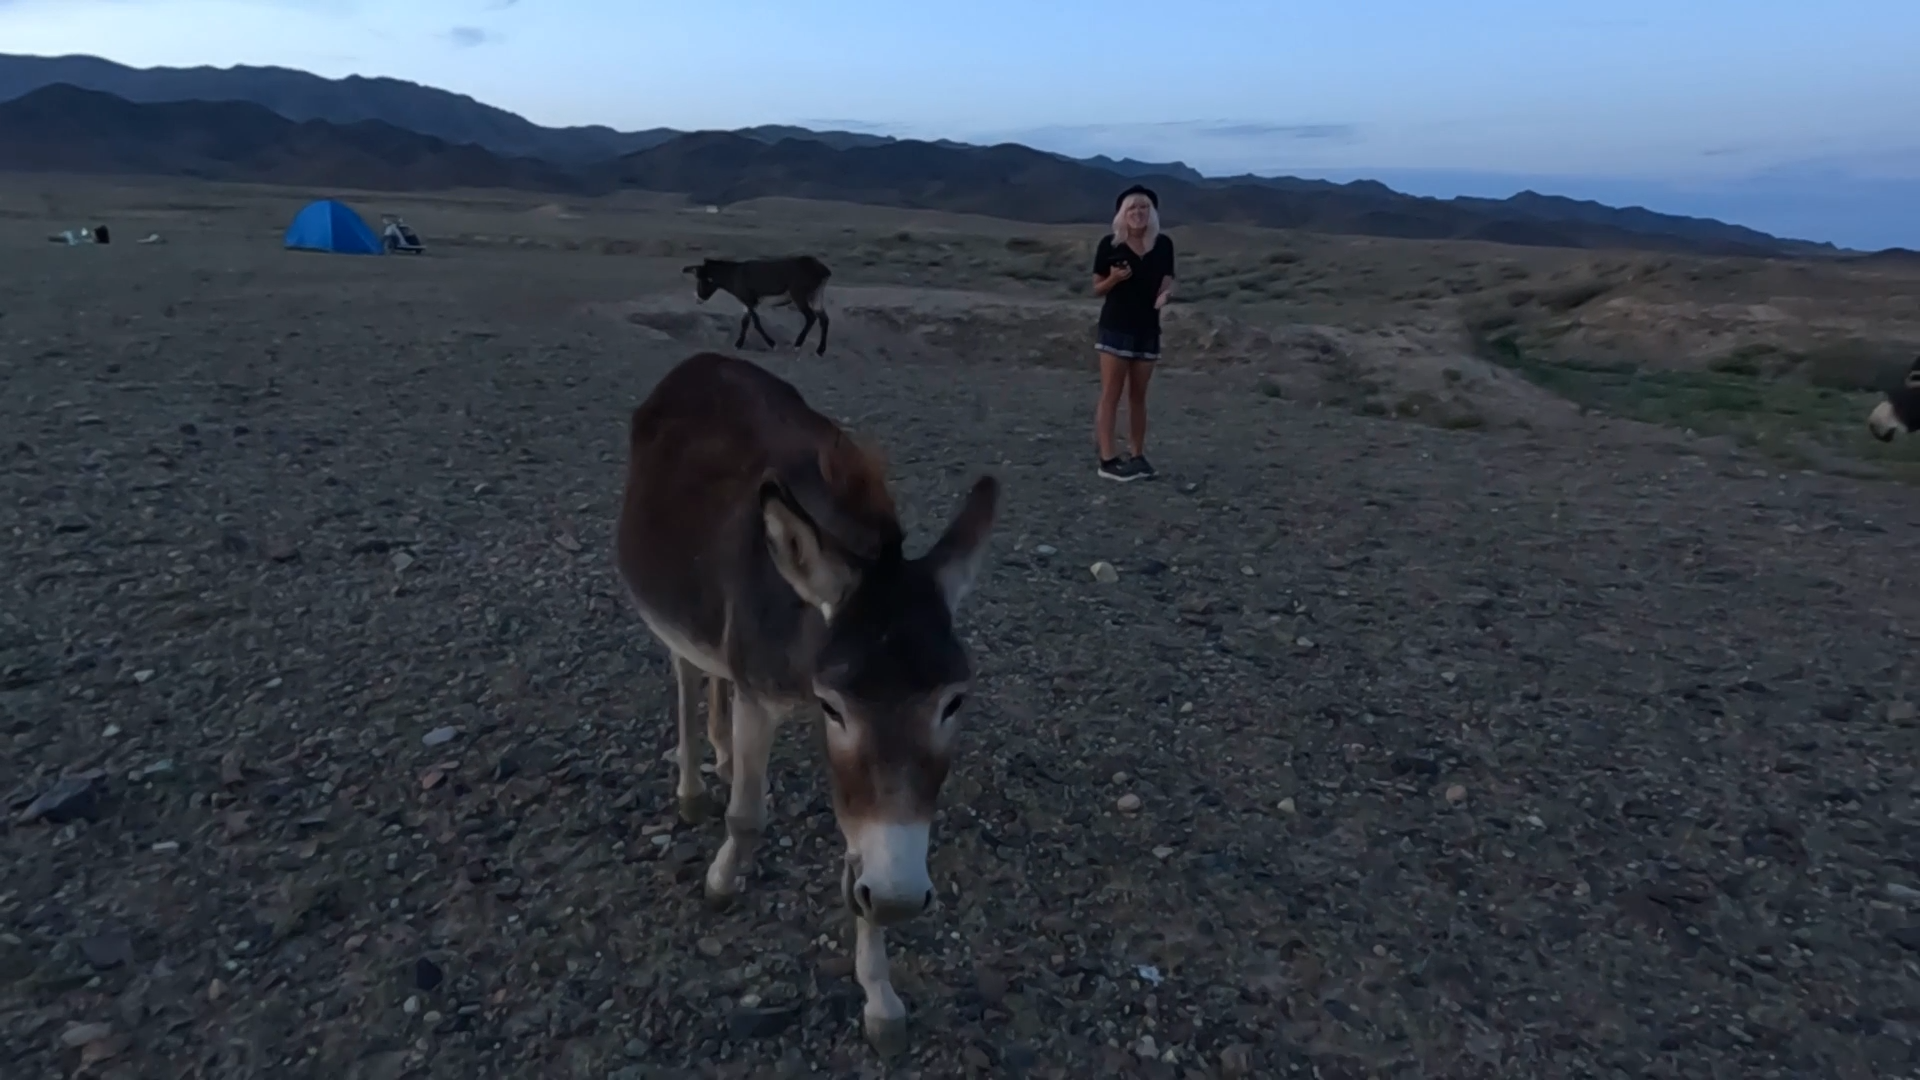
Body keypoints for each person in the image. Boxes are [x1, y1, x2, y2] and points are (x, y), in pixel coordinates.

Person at [1090, 183, 1175, 481]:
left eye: (1144, 208)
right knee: (1111, 394)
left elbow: (1167, 278)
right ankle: (1107, 459)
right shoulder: (1110, 245)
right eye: (1132, 208)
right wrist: (1113, 279)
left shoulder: (1163, 244)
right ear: (1122, 214)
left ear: (1152, 213)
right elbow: (1097, 288)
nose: (1138, 213)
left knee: (1138, 396)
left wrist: (1165, 295)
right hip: (1116, 327)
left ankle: (1137, 455)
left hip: (1148, 328)